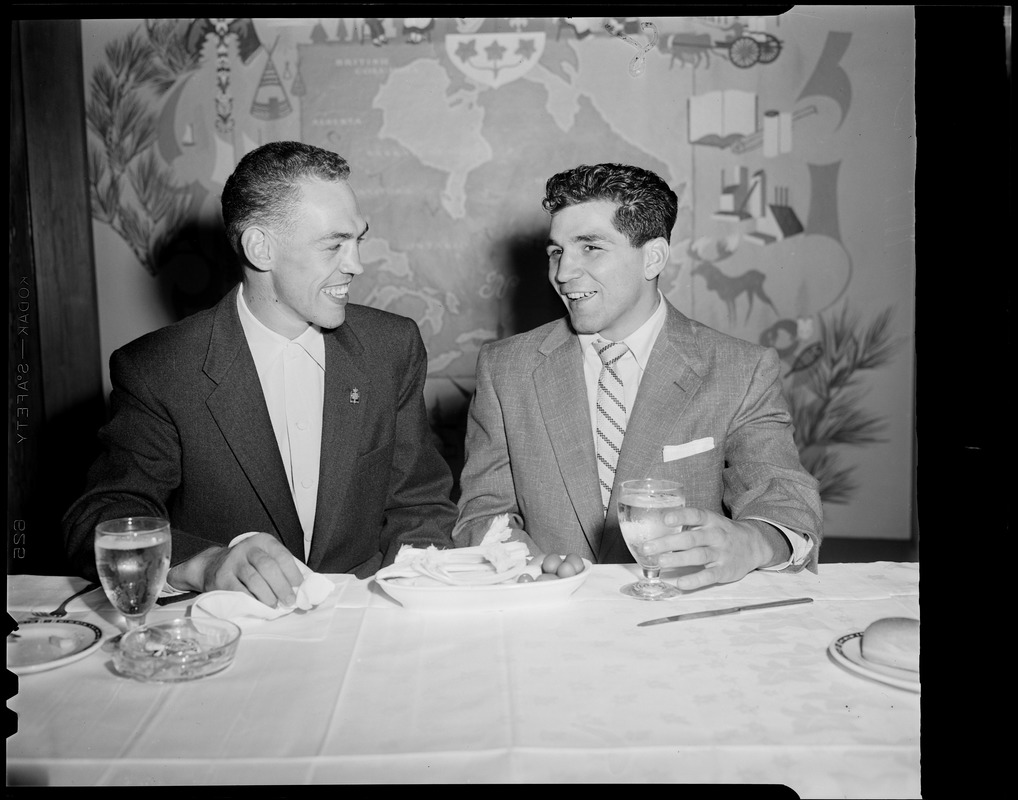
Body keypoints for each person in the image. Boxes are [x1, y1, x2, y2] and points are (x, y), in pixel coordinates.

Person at [63, 141, 457, 605]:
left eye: (358, 240)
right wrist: (205, 564)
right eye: (334, 245)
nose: (356, 264)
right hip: (227, 630)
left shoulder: (392, 347)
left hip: (366, 617)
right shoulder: (158, 369)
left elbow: (420, 504)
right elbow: (103, 518)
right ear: (261, 247)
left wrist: (410, 597)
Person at [453, 163, 823, 590]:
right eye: (556, 252)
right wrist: (535, 569)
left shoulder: (741, 369)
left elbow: (785, 498)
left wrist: (753, 542)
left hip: (682, 617)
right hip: (548, 618)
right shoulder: (505, 368)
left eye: (590, 247)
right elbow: (483, 513)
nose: (563, 273)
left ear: (653, 257)